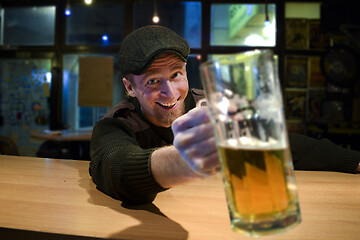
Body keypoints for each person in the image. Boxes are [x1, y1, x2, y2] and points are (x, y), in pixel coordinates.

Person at [89, 25, 360, 205]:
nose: (170, 93)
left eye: (175, 75)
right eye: (152, 82)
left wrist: (354, 161)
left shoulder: (210, 107)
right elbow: (115, 168)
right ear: (129, 88)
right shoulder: (116, 124)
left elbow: (284, 146)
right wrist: (186, 160)